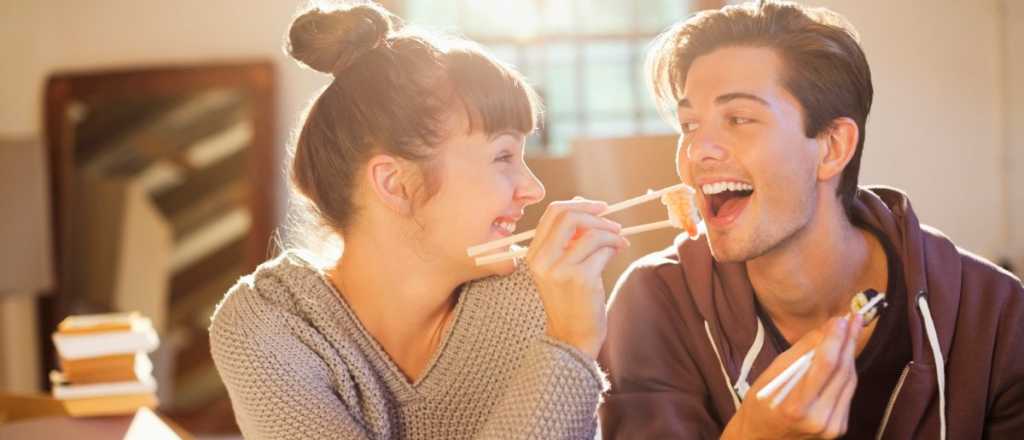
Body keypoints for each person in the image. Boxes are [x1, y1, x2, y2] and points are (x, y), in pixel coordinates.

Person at [598, 1, 1024, 439]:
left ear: (832, 147)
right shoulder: (653, 304)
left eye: (738, 118)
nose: (696, 150)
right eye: (689, 125)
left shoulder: (996, 316)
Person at [209, 3, 627, 438]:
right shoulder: (271, 323)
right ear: (396, 183)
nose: (533, 189)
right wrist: (569, 345)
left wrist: (569, 336)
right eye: (503, 155)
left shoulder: (539, 298)